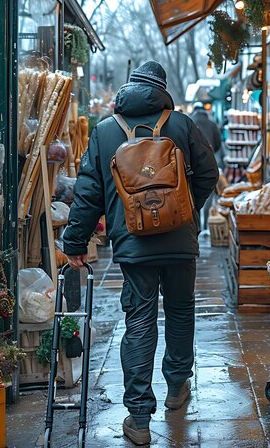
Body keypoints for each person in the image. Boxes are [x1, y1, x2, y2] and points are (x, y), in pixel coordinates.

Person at [62, 61, 219, 445]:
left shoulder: (104, 132)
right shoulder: (180, 125)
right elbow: (209, 173)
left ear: (128, 88)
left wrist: (75, 243)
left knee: (140, 322)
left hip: (134, 247)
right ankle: (178, 387)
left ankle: (138, 418)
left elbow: (88, 194)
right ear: (162, 89)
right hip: (180, 244)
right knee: (181, 311)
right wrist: (183, 211)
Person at [190, 103, 222, 229]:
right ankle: (205, 224)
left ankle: (195, 223)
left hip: (191, 164)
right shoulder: (212, 124)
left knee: (192, 194)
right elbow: (218, 144)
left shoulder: (189, 122)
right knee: (207, 192)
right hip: (209, 162)